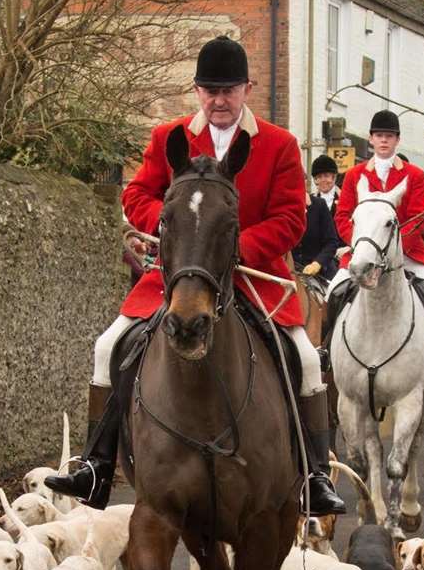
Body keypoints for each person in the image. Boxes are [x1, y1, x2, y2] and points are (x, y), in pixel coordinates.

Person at [46, 36, 344, 515]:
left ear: (247, 88)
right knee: (107, 347)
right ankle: (96, 466)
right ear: (197, 91)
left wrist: (232, 247)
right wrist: (172, 232)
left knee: (306, 360)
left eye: (228, 90)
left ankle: (314, 476)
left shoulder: (280, 144)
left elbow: (292, 219)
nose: (219, 100)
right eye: (209, 90)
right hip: (181, 273)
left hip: (255, 277)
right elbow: (138, 196)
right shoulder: (170, 138)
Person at [321, 110, 424, 379]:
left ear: (397, 140)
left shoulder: (414, 174)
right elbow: (343, 215)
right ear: (371, 139)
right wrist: (360, 243)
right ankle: (325, 349)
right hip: (364, 250)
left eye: (389, 136)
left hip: (407, 253)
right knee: (334, 291)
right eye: (379, 136)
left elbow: (419, 217)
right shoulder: (353, 175)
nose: (384, 141)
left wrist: (391, 250)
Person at [295, 154, 341, 288]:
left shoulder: (320, 204)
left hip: (323, 266)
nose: (323, 180)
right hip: (295, 269)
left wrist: (318, 263)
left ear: (333, 177)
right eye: (319, 177)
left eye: (326, 176)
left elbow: (332, 241)